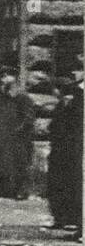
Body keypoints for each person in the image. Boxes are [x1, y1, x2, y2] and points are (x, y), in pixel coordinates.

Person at [0, 66, 36, 199]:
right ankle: (2, 189)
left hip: (17, 139)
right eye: (2, 76)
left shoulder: (22, 98)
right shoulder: (2, 98)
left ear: (15, 79)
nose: (3, 79)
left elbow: (28, 118)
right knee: (0, 164)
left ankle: (21, 190)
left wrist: (18, 131)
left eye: (6, 76)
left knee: (19, 164)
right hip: (2, 137)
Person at [46, 73, 83, 237]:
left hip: (68, 154)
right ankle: (63, 218)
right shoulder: (66, 105)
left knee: (67, 186)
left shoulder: (73, 106)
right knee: (60, 186)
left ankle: (68, 219)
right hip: (63, 153)